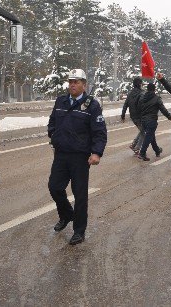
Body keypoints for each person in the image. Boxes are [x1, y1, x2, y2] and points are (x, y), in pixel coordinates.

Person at [47, 69, 107, 245]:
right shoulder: (61, 101)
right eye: (70, 81)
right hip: (60, 154)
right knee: (54, 187)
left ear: (84, 84)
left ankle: (79, 231)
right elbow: (52, 121)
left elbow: (99, 132)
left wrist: (96, 152)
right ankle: (66, 214)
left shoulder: (92, 106)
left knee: (80, 194)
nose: (72, 84)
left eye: (77, 81)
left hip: (80, 157)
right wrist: (53, 134)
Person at [136, 82, 171, 161]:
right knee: (149, 136)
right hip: (151, 120)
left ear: (147, 89)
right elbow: (162, 109)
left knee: (151, 136)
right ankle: (142, 153)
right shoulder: (157, 98)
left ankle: (157, 150)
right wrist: (169, 117)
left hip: (143, 121)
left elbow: (138, 108)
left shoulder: (142, 97)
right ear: (154, 89)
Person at [121, 77, 145, 154]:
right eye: (141, 83)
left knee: (142, 130)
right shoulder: (142, 93)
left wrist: (123, 116)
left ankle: (133, 144)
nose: (142, 85)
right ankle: (137, 147)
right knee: (144, 132)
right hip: (140, 116)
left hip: (133, 117)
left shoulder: (130, 93)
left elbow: (125, 105)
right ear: (139, 84)